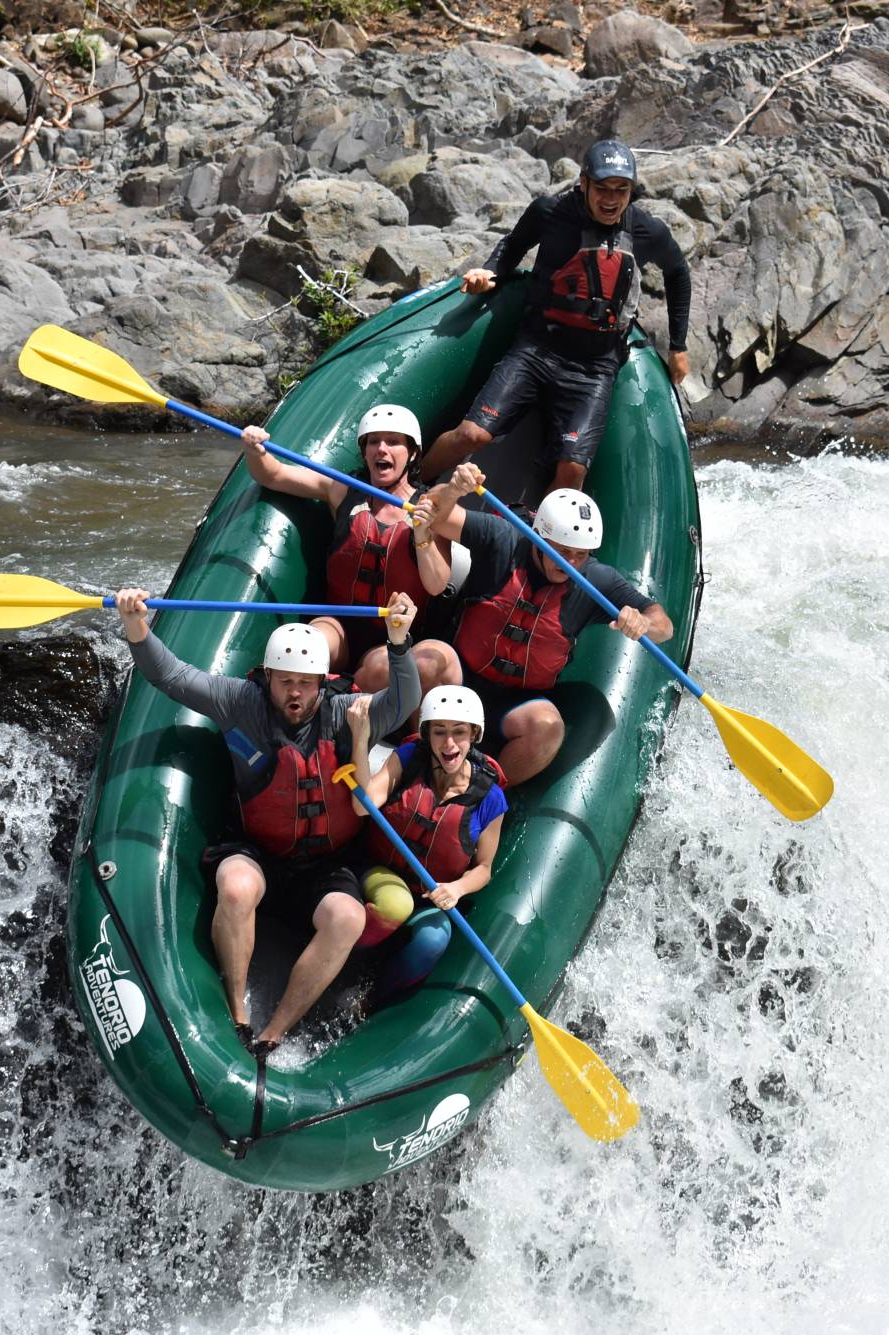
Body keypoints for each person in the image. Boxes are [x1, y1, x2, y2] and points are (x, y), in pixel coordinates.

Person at [117, 587, 423, 1054]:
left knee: (348, 917)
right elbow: (173, 675)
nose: (294, 692)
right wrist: (136, 625)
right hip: (256, 851)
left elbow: (402, 703)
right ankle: (238, 1015)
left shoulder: (344, 712)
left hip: (324, 865)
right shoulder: (239, 701)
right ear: (268, 677)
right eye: (284, 681)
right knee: (236, 887)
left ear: (322, 682)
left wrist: (399, 644)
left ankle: (274, 1030)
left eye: (305, 682)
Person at [418, 139, 693, 492]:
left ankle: (547, 542)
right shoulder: (550, 211)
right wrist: (489, 272)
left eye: (621, 190)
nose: (611, 199)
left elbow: (678, 273)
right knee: (472, 434)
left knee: (573, 468)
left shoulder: (645, 229)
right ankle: (411, 485)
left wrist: (678, 346)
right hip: (536, 350)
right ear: (584, 184)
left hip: (595, 367)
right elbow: (513, 245)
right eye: (603, 189)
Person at [418, 465, 672, 785]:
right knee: (426, 659)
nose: (570, 562)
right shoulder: (504, 538)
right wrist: (454, 489)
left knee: (549, 727)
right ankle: (418, 758)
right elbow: (433, 511)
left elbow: (664, 625)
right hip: (459, 678)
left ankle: (482, 793)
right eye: (562, 551)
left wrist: (643, 623)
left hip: (513, 707)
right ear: (539, 537)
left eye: (580, 554)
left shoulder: (596, 580)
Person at [239, 406, 461, 695]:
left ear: (413, 453)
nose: (382, 449)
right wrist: (255, 450)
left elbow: (436, 584)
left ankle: (343, 699)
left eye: (393, 441)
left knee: (382, 668)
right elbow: (273, 475)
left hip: (397, 634)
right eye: (373, 441)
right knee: (307, 645)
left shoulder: (429, 508)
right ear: (364, 451)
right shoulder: (342, 489)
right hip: (339, 625)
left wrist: (423, 534)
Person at [343, 685, 508, 1006]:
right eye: (440, 732)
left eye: (459, 732)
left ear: (474, 734)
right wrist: (360, 741)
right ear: (427, 734)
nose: (449, 743)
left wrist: (457, 889)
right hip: (374, 872)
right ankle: (342, 964)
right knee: (395, 903)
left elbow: (484, 868)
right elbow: (364, 806)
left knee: (434, 938)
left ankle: (371, 1004)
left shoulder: (491, 798)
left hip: (427, 898)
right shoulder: (408, 758)